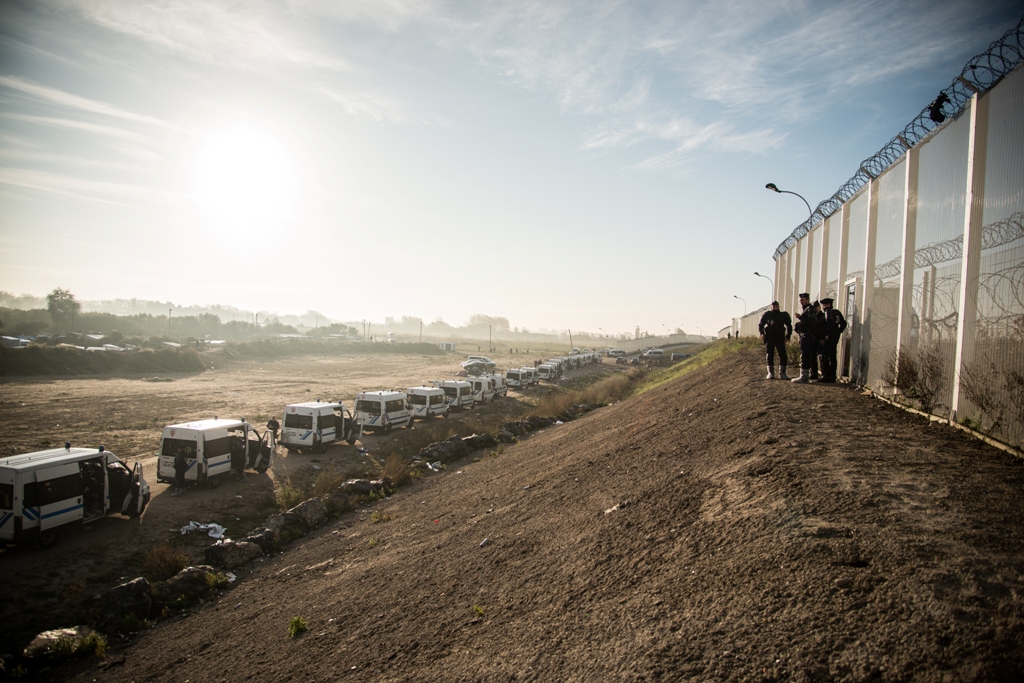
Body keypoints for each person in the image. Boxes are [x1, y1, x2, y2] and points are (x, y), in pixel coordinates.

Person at [758, 301, 792, 379]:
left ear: (779, 307)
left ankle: (782, 373)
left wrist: (788, 336)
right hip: (770, 338)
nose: (775, 308)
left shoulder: (783, 315)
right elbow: (761, 325)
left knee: (783, 355)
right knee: (769, 354)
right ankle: (771, 372)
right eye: (774, 306)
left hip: (780, 338)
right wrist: (762, 333)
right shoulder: (767, 315)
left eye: (776, 306)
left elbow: (789, 326)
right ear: (771, 307)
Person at [791, 293, 819, 384]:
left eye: (803, 300)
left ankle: (804, 377)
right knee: (806, 355)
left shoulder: (810, 309)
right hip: (805, 336)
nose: (801, 302)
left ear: (807, 300)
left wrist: (801, 317)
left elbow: (810, 323)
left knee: (805, 355)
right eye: (800, 300)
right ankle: (806, 375)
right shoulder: (806, 309)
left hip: (808, 336)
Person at [817, 298, 847, 383]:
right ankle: (832, 376)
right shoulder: (837, 313)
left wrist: (825, 336)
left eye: (824, 305)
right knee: (832, 356)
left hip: (829, 338)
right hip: (834, 337)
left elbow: (823, 327)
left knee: (825, 356)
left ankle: (826, 375)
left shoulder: (827, 314)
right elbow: (843, 323)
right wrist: (838, 332)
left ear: (828, 305)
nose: (823, 307)